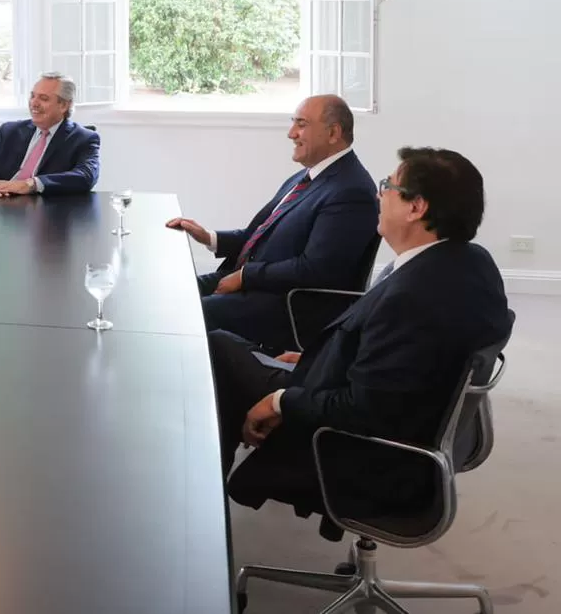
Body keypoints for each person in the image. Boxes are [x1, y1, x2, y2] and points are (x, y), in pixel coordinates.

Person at [210, 147, 512, 514]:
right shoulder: (472, 262)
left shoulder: (412, 298)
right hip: (387, 414)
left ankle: (203, 511)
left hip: (359, 456)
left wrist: (278, 401)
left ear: (417, 208)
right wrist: (314, 358)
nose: (378, 193)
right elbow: (401, 363)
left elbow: (364, 410)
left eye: (389, 186)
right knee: (226, 346)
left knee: (217, 352)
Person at [166, 95, 378, 350]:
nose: (291, 133)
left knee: (183, 315)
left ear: (333, 133)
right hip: (255, 286)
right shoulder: (306, 176)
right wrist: (210, 237)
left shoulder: (351, 191)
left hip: (287, 306)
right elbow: (261, 234)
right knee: (171, 292)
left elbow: (317, 270)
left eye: (301, 124)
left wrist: (246, 276)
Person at [0, 72, 100, 197]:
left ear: (64, 105)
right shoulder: (10, 131)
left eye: (43, 98)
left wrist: (31, 184)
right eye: (32, 96)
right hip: (1, 204)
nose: (34, 103)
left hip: (47, 212)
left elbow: (86, 176)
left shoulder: (84, 138)